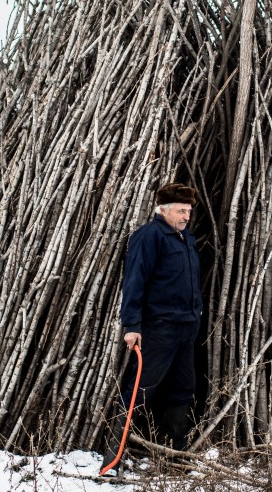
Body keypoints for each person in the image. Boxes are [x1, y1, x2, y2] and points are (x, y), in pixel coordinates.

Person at [113, 181, 203, 453]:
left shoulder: (186, 238)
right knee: (142, 388)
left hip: (186, 327)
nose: (186, 217)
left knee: (183, 387)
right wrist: (132, 325)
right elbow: (134, 281)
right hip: (159, 327)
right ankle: (114, 450)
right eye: (181, 211)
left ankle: (177, 451)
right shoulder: (149, 236)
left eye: (188, 211)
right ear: (163, 210)